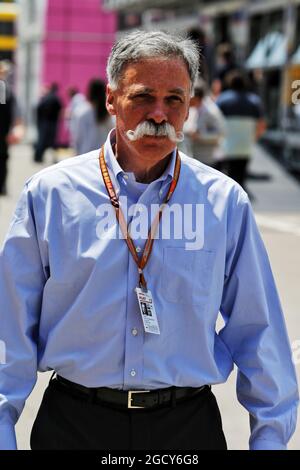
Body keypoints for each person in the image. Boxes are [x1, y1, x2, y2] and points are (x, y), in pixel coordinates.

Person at [0, 31, 298, 451]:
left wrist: (270, 439)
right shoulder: (49, 196)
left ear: (190, 105)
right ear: (111, 99)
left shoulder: (223, 201)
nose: (159, 113)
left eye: (174, 99)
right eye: (143, 97)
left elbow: (258, 330)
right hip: (73, 425)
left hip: (187, 428)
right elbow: (9, 328)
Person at [216, 70, 267, 189]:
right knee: (241, 174)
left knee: (228, 176)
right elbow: (261, 124)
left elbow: (216, 120)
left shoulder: (222, 99)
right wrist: (254, 138)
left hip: (227, 144)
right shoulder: (254, 100)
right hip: (246, 144)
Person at [182, 79, 225, 167]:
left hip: (208, 159)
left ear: (196, 97)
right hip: (195, 156)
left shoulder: (212, 111)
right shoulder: (194, 109)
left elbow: (220, 134)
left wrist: (199, 136)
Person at [72, 78, 114, 155]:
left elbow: (77, 137)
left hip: (86, 155)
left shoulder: (82, 111)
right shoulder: (110, 112)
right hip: (105, 155)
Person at [0, 61, 24, 196]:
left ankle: (2, 185)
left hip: (3, 133)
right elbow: (15, 112)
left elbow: (14, 112)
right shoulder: (7, 90)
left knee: (3, 159)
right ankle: (2, 185)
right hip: (3, 133)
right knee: (3, 160)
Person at [34, 83, 62, 163]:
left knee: (42, 140)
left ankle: (38, 157)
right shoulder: (56, 98)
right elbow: (60, 110)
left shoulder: (45, 98)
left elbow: (38, 109)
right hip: (52, 123)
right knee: (52, 142)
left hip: (43, 122)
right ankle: (54, 158)